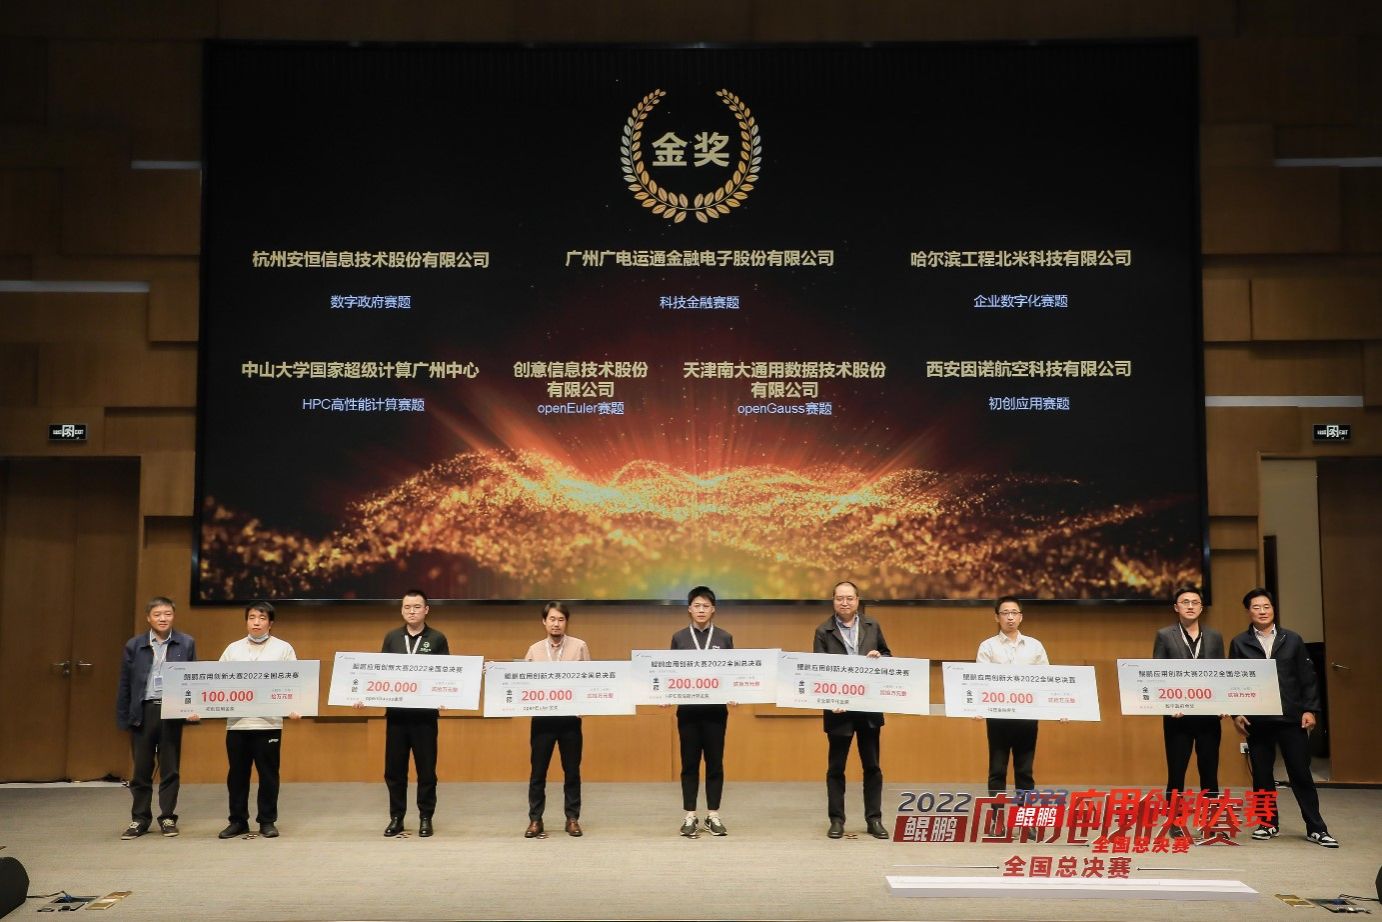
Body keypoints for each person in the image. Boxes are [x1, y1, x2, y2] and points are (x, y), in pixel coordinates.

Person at [1229, 588, 1338, 848]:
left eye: (1266, 606)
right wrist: (1236, 713)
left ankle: (1316, 828)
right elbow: (1232, 679)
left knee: (1301, 774)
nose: (1262, 611)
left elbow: (1307, 677)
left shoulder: (1292, 639)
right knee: (1262, 776)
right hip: (1257, 720)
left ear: (1273, 609)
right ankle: (1267, 823)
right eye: (1256, 607)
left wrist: (1310, 709)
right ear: (1248, 611)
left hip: (1291, 718)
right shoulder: (1239, 642)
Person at [116, 596, 198, 839]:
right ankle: (139, 818)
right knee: (141, 769)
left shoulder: (186, 643)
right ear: (148, 618)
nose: (163, 618)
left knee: (170, 768)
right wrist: (124, 717)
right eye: (157, 614)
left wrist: (192, 709)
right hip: (143, 710)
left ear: (174, 616)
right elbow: (125, 683)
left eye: (167, 614)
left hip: (171, 711)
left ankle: (168, 817)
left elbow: (194, 678)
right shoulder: (134, 645)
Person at [814, 579, 891, 840]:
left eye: (849, 598)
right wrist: (830, 700)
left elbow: (888, 656)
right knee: (836, 768)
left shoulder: (872, 626)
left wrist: (880, 658)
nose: (844, 603)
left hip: (869, 709)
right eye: (840, 598)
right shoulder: (823, 631)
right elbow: (818, 671)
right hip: (839, 711)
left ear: (857, 601)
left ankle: (874, 819)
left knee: (872, 767)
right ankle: (836, 820)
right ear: (833, 601)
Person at [217, 601, 298, 840]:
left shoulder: (283, 649)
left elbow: (295, 682)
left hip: (268, 723)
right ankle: (238, 820)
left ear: (270, 623)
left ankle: (267, 820)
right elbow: (215, 681)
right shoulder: (232, 649)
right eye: (252, 617)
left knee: (268, 774)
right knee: (237, 775)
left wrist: (295, 707)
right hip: (238, 723)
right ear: (246, 621)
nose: (256, 622)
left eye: (262, 618)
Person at [376, 589, 449, 838]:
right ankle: (396, 817)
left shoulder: (437, 638)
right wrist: (364, 695)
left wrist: (446, 696)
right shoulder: (392, 637)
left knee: (426, 771)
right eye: (407, 607)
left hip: (425, 717)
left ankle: (425, 817)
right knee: (394, 770)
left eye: (417, 607)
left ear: (426, 610)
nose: (412, 611)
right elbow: (379, 674)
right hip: (397, 716)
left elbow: (448, 672)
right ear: (401, 610)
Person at [1152, 585, 1223, 838]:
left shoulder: (1214, 636)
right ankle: (1175, 821)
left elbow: (1222, 675)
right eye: (1185, 602)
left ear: (1202, 608)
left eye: (1195, 602)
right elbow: (1158, 675)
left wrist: (1223, 703)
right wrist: (1169, 705)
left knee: (1209, 771)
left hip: (1208, 716)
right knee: (1177, 772)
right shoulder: (1164, 635)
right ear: (1176, 607)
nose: (1190, 606)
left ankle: (1211, 823)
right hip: (1177, 717)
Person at [976, 595, 1048, 837]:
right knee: (997, 770)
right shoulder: (987, 647)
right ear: (996, 617)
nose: (1010, 617)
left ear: (1021, 617)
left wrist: (1059, 709)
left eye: (1014, 613)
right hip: (998, 718)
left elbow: (1048, 681)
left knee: (1024, 771)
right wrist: (977, 707)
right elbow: (980, 682)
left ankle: (1027, 821)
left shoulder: (1035, 646)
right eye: (1005, 613)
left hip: (1027, 717)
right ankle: (998, 821)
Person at [523, 601, 591, 838]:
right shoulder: (534, 650)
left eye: (561, 619)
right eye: (552, 619)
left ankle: (572, 818)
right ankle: (535, 819)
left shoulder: (579, 646)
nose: (556, 624)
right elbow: (522, 681)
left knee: (572, 771)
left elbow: (590, 679)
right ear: (544, 622)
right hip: (542, 720)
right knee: (538, 772)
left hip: (570, 719)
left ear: (566, 622)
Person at [670, 586, 733, 838]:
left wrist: (734, 692)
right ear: (689, 609)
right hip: (688, 711)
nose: (701, 610)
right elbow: (670, 673)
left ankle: (713, 815)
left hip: (716, 712)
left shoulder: (725, 638)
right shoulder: (679, 638)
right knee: (689, 764)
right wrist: (665, 695)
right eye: (697, 605)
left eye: (706, 606)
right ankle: (690, 815)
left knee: (715, 763)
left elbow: (732, 673)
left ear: (713, 609)